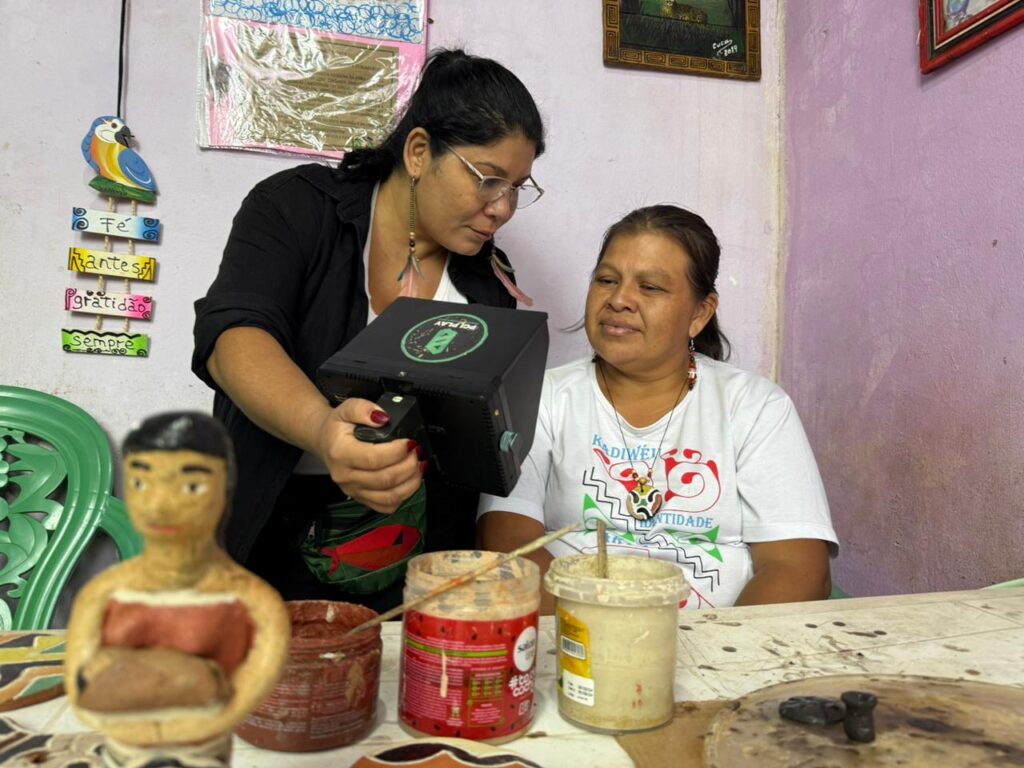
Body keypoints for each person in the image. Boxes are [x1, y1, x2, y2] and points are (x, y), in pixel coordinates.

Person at [191, 49, 546, 611]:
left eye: (518, 188)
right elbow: (233, 335)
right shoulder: (297, 209)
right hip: (265, 536)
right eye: (488, 180)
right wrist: (323, 431)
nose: (502, 209)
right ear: (420, 151)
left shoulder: (487, 287)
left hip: (412, 555)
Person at [478, 205, 838, 612]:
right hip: (577, 642)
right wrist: (605, 641)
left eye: (650, 288)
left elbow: (798, 568)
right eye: (606, 280)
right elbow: (508, 543)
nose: (619, 300)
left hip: (718, 650)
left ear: (700, 313)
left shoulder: (755, 408)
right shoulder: (540, 399)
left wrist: (716, 656)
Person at [64, 412, 290, 756]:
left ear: (225, 492)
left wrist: (131, 682)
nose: (161, 506)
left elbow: (248, 692)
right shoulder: (103, 594)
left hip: (205, 753)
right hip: (123, 754)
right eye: (142, 482)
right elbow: (81, 693)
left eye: (191, 486)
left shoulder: (256, 603)